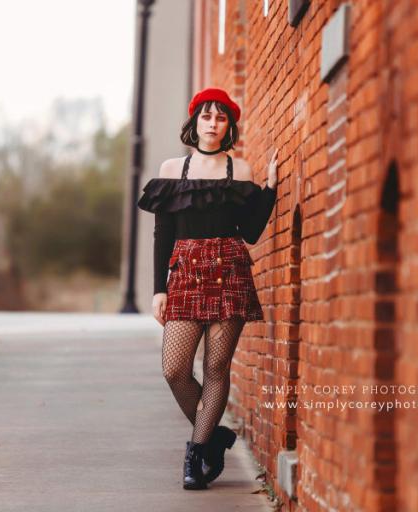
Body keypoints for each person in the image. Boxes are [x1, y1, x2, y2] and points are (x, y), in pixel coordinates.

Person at [136, 87, 278, 490]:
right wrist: (158, 289)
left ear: (229, 125)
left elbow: (249, 233)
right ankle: (214, 436)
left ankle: (197, 453)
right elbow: (162, 233)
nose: (213, 124)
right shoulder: (171, 171)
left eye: (220, 118)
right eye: (206, 116)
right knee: (175, 369)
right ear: (194, 121)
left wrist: (268, 191)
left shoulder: (240, 170)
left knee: (216, 368)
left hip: (229, 270)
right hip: (183, 274)